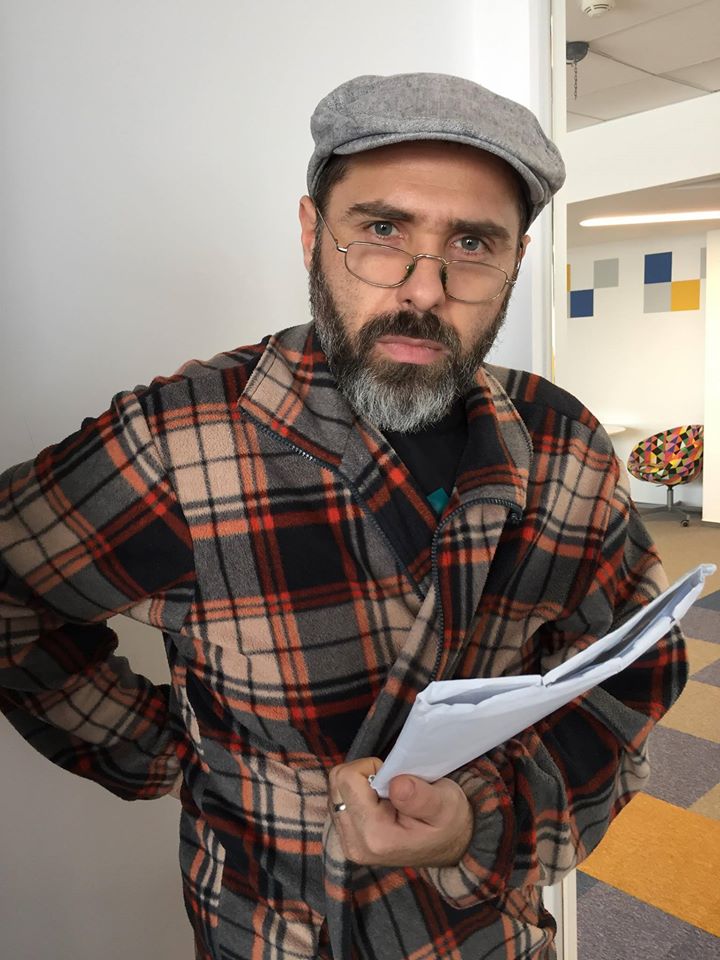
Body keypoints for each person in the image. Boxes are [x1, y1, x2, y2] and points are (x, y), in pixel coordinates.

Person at [0, 73, 687, 960]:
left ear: (515, 261)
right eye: (382, 230)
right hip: (269, 930)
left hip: (484, 933)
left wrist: (483, 817)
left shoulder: (565, 444)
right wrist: (175, 756)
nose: (424, 289)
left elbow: (635, 669)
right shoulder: (183, 435)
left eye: (471, 243)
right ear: (310, 233)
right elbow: (10, 591)